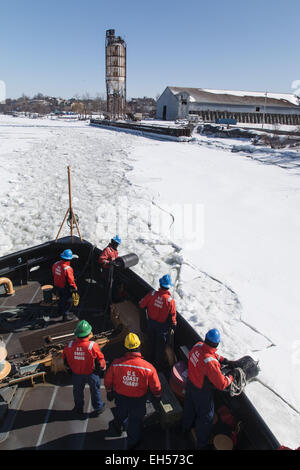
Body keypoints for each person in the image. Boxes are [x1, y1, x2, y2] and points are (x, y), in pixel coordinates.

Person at [104, 332, 161, 450]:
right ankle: (133, 442)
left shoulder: (116, 364)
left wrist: (109, 391)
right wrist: (157, 395)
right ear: (138, 346)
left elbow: (108, 379)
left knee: (120, 412)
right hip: (138, 400)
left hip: (121, 397)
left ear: (125, 347)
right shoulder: (148, 367)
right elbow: (156, 386)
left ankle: (117, 425)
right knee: (135, 421)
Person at [182, 328, 235, 449]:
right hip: (201, 392)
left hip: (191, 383)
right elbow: (222, 384)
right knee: (206, 417)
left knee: (189, 408)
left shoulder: (198, 345)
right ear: (216, 344)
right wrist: (231, 377)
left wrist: (222, 359)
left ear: (206, 339)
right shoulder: (210, 362)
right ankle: (201, 444)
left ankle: (185, 428)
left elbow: (210, 352)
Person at [62, 320, 106, 417]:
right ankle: (98, 408)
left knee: (77, 391)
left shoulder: (69, 346)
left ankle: (78, 408)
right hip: (91, 374)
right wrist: (102, 369)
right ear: (89, 333)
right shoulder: (93, 345)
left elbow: (65, 361)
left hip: (76, 374)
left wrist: (70, 370)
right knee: (95, 390)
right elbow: (101, 361)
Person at [139, 274, 176, 369]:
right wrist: (174, 324)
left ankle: (148, 360)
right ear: (169, 287)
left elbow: (142, 305)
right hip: (162, 327)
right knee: (160, 347)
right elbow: (172, 317)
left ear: (160, 284)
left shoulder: (151, 294)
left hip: (151, 324)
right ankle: (157, 366)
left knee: (151, 342)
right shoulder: (170, 301)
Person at [52, 249, 78, 321]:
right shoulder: (68, 268)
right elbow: (71, 280)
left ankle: (59, 311)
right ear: (69, 259)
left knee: (61, 299)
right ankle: (65, 316)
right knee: (67, 301)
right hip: (64, 287)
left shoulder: (55, 264)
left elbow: (54, 273)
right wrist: (75, 288)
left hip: (57, 285)